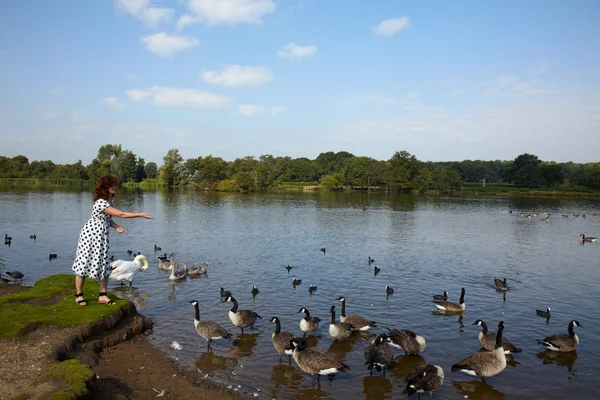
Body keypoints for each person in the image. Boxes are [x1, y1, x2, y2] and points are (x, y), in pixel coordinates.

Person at [72, 176, 152, 306]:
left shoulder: (110, 201)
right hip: (91, 236)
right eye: (112, 185)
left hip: (101, 237)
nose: (115, 187)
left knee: (103, 264)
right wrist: (140, 214)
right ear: (105, 188)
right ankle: (79, 295)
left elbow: (107, 219)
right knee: (83, 264)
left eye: (115, 185)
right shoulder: (100, 203)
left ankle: (103, 295)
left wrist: (116, 227)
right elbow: (121, 214)